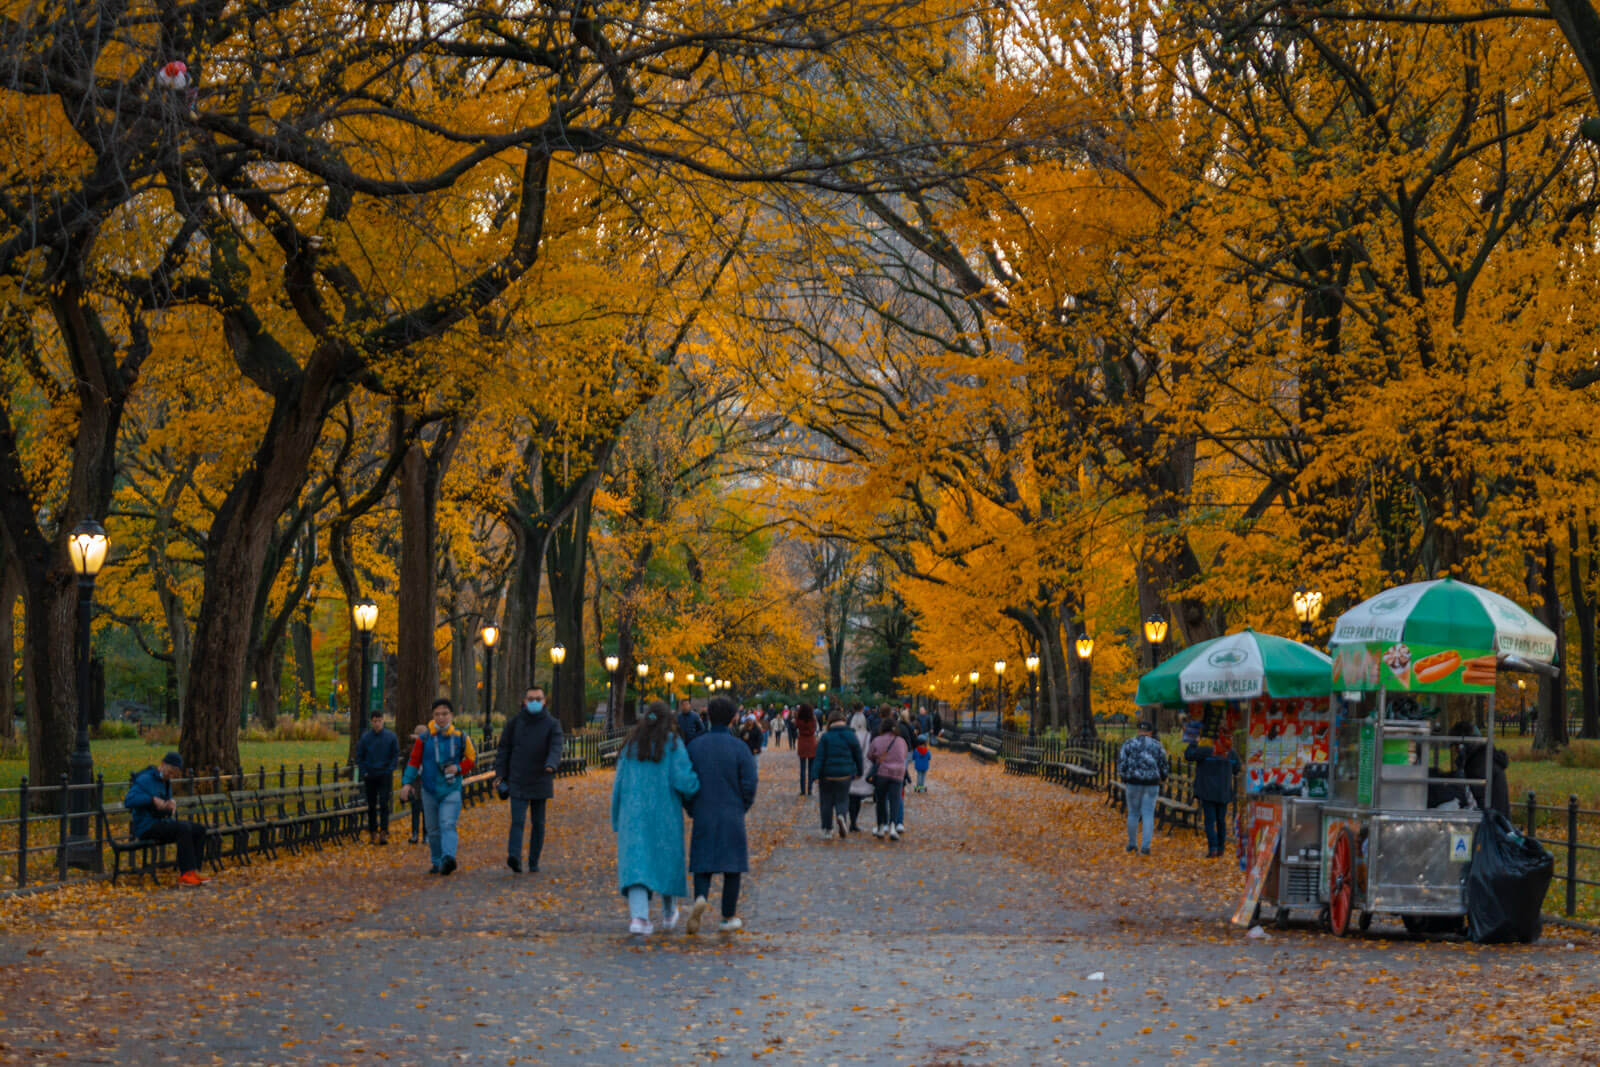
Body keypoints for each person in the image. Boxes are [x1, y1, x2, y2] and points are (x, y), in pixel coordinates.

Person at [612, 701, 700, 935]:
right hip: (665, 815)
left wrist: (616, 817)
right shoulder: (672, 745)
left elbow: (618, 784)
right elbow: (685, 781)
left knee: (637, 865)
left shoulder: (630, 746)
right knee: (665, 861)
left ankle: (639, 918)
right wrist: (695, 788)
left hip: (632, 816)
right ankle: (669, 913)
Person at [685, 696, 758, 933]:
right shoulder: (740, 747)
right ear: (733, 718)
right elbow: (750, 782)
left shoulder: (695, 746)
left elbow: (687, 780)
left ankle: (701, 897)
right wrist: (742, 805)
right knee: (732, 866)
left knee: (703, 861)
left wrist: (692, 806)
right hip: (731, 810)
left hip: (703, 809)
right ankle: (727, 916)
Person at [400, 698, 476, 875]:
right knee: (433, 830)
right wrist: (406, 783)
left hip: (451, 790)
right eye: (437, 714)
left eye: (445, 714)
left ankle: (448, 858)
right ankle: (437, 861)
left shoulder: (460, 737)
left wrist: (457, 768)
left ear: (451, 715)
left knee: (448, 824)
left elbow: (472, 759)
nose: (441, 718)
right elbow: (414, 761)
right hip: (429, 790)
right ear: (433, 716)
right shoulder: (424, 739)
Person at [495, 685, 563, 873]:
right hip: (517, 777)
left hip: (541, 777)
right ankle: (514, 856)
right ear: (524, 702)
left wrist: (551, 764)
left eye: (538, 699)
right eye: (531, 699)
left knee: (538, 823)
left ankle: (534, 861)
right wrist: (500, 774)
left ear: (544, 701)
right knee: (517, 820)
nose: (534, 702)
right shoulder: (514, 723)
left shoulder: (552, 724)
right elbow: (504, 748)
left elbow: (556, 746)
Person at [125, 752, 210, 886]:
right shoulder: (145, 779)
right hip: (146, 826)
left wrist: (170, 803)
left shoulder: (166, 782)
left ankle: (194, 870)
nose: (171, 776)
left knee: (198, 829)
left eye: (175, 774)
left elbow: (164, 804)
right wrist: (151, 800)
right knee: (183, 828)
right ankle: (186, 874)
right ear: (163, 765)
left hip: (161, 822)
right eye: (170, 772)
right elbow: (129, 800)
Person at [1118, 720, 1170, 856]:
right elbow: (1164, 764)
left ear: (1138, 731)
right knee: (1148, 814)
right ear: (1151, 732)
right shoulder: (1157, 746)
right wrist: (1163, 777)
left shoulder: (1129, 744)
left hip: (1133, 782)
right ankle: (1145, 847)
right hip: (1151, 783)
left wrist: (1124, 776)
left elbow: (1122, 762)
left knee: (1133, 813)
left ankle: (1132, 844)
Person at [1184, 735, 1241, 858]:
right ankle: (1221, 848)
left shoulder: (1205, 750)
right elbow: (1237, 768)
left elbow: (1188, 755)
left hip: (1208, 791)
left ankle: (1213, 848)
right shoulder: (1230, 752)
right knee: (1221, 821)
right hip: (1223, 792)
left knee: (1209, 821)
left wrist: (1194, 742)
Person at [812, 710, 864, 839]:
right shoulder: (851, 735)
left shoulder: (825, 737)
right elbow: (858, 755)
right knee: (842, 799)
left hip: (827, 774)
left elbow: (819, 757)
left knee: (826, 802)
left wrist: (815, 775)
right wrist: (859, 771)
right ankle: (841, 815)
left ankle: (827, 829)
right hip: (845, 774)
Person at [355, 711, 400, 844]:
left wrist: (389, 769)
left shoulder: (390, 737)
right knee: (371, 805)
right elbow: (359, 755)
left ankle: (384, 831)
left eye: (379, 720)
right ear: (371, 722)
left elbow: (395, 754)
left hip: (384, 774)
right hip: (370, 775)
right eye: (374, 721)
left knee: (384, 803)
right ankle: (373, 831)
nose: (377, 723)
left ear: (383, 721)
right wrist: (364, 772)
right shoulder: (366, 738)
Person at [1449, 721, 1510, 817]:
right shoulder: (1484, 756)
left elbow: (1473, 796)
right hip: (1496, 818)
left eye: (1457, 746)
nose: (1456, 750)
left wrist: (1460, 770)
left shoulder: (1479, 763)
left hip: (1491, 822)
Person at [865, 719, 909, 839]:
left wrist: (878, 758)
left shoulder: (877, 740)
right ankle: (893, 827)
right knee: (895, 800)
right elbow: (904, 755)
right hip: (898, 774)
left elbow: (869, 755)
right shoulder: (901, 741)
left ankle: (880, 827)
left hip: (882, 773)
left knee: (881, 801)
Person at [847, 710, 873, 832]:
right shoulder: (868, 736)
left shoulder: (849, 734)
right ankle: (854, 822)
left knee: (850, 796)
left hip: (849, 768)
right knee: (857, 798)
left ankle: (848, 819)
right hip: (862, 768)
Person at [406, 723, 428, 844]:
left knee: (425, 809)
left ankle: (426, 834)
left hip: (425, 780)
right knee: (415, 808)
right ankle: (414, 833)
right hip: (416, 781)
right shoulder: (413, 749)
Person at [794, 703, 818, 796]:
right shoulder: (812, 719)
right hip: (811, 742)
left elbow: (796, 727)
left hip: (802, 742)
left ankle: (803, 789)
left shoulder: (799, 720)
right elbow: (814, 730)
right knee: (811, 768)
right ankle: (810, 789)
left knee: (802, 768)